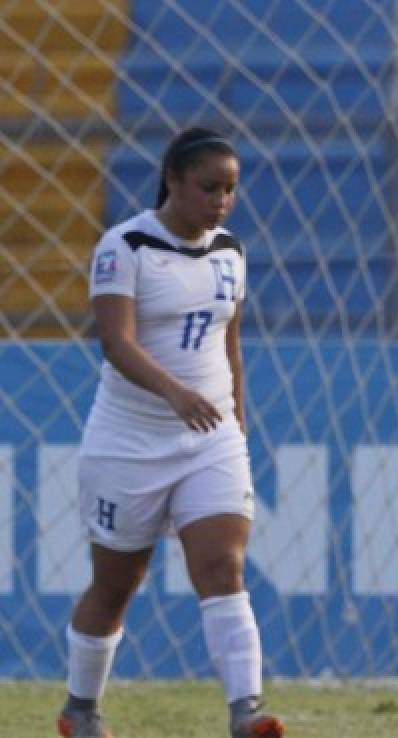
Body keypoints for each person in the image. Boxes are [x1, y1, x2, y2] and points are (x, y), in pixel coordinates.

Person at [59, 128, 284, 738]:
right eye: (210, 187)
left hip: (209, 439)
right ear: (174, 182)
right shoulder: (124, 246)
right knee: (115, 585)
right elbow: (115, 342)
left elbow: (230, 344)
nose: (222, 200)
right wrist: (174, 393)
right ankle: (81, 709)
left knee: (223, 566)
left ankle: (247, 713)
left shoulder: (231, 251)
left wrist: (235, 418)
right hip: (128, 442)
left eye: (231, 189)